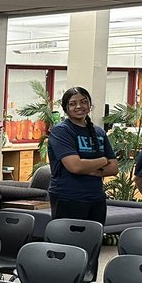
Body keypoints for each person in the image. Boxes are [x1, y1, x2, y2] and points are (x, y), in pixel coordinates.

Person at [47, 85, 117, 224]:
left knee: (93, 242)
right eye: (73, 104)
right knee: (68, 243)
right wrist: (103, 160)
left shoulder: (99, 132)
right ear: (66, 108)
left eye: (84, 102)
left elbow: (114, 168)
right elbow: (75, 167)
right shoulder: (61, 131)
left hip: (96, 197)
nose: (79, 106)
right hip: (68, 197)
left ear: (90, 105)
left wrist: (89, 169)